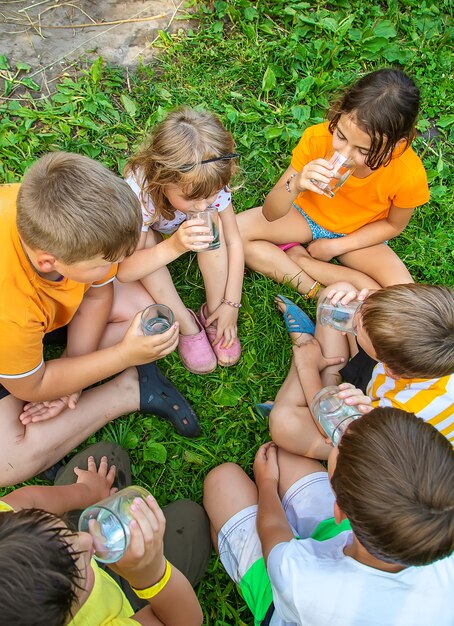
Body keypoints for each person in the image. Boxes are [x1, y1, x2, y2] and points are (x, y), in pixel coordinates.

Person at [0, 152, 200, 487]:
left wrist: (72, 374)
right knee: (6, 461)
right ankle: (128, 390)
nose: (116, 268)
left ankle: (77, 382)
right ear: (49, 261)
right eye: (105, 262)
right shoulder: (12, 312)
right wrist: (123, 357)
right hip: (12, 339)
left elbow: (97, 294)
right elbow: (30, 388)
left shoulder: (47, 213)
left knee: (146, 314)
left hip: (40, 317)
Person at [204, 408, 454, 626]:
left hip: (291, 594)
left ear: (340, 511)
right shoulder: (438, 524)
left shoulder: (305, 585)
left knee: (222, 481)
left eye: (338, 448)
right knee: (285, 456)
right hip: (354, 543)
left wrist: (267, 482)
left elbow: (272, 532)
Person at [237, 68, 430, 295]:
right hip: (305, 216)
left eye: (363, 150)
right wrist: (296, 184)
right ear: (338, 112)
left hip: (360, 233)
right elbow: (271, 212)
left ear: (396, 145)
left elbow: (393, 225)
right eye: (340, 136)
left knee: (406, 297)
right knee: (234, 233)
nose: (346, 154)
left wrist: (336, 246)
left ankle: (303, 261)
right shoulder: (317, 139)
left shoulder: (408, 173)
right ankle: (317, 292)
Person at [0, 443, 210, 626]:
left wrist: (85, 491)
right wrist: (149, 573)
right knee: (192, 522)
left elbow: (28, 501)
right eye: (77, 564)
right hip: (118, 598)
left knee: (107, 457)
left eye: (65, 534)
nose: (85, 538)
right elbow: (183, 621)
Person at [118, 107, 244, 374]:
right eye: (191, 199)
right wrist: (174, 246)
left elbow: (234, 241)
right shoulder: (140, 193)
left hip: (184, 235)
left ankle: (213, 312)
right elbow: (125, 271)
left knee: (215, 224)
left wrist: (231, 304)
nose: (202, 205)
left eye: (210, 196)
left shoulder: (210, 183)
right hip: (150, 235)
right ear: (161, 177)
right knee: (149, 245)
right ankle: (186, 322)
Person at [269, 282, 454, 458]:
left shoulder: (403, 413)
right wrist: (370, 300)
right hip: (382, 386)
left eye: (356, 328)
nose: (355, 315)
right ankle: (318, 392)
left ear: (390, 370)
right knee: (338, 296)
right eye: (364, 307)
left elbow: (348, 434)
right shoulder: (433, 342)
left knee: (283, 423)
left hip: (382, 447)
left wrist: (306, 367)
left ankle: (305, 353)